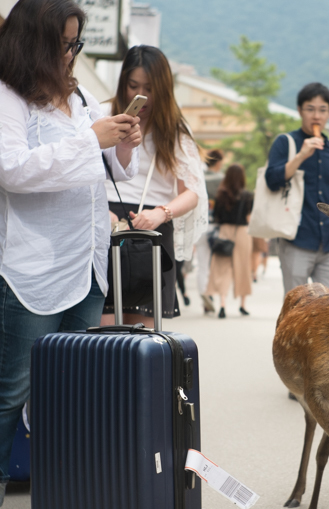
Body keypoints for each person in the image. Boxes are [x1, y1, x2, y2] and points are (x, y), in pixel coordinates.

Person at [0, 0, 141, 509]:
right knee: (10, 387)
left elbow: (109, 168)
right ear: (34, 43)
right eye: (64, 43)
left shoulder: (77, 97)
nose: (71, 53)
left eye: (76, 43)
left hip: (84, 264)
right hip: (31, 269)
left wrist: (122, 142)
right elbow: (12, 171)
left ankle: (67, 494)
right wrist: (93, 140)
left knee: (70, 387)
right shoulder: (0, 98)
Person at [101, 45, 209, 326]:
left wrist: (162, 213)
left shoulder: (175, 130)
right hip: (102, 224)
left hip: (152, 228)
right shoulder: (102, 117)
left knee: (141, 337)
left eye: (150, 87)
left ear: (163, 87)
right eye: (133, 85)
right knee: (102, 332)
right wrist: (99, 211)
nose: (141, 95)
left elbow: (192, 192)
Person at [265, 82, 329, 298]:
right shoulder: (285, 143)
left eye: (322, 110)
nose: (316, 116)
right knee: (297, 307)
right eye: (310, 109)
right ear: (300, 110)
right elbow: (272, 179)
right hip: (295, 237)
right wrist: (300, 156)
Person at [205, 164, 253, 318]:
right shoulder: (248, 195)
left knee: (221, 268)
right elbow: (249, 218)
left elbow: (217, 217)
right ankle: (242, 305)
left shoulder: (221, 195)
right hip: (242, 232)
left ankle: (222, 304)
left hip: (225, 231)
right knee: (243, 268)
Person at [198, 149, 224, 313]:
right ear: (219, 162)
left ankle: (203, 293)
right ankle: (212, 293)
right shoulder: (222, 179)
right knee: (217, 264)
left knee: (202, 264)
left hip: (200, 224)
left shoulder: (200, 179)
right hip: (217, 225)